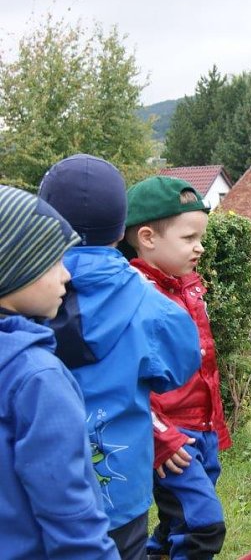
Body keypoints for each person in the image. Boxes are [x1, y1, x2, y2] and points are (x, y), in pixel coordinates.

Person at [38, 154, 203, 560]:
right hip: (119, 488)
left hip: (42, 488)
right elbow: (180, 365)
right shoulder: (148, 300)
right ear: (121, 226)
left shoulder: (27, 289)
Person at [0, 184, 120, 559]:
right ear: (16, 266)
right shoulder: (36, 379)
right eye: (53, 260)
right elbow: (70, 516)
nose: (67, 276)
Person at [123, 176, 232, 560]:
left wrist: (214, 427)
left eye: (200, 237)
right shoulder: (135, 296)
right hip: (169, 435)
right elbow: (126, 381)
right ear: (148, 238)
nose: (199, 248)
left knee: (177, 521)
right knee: (203, 524)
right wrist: (161, 436)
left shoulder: (188, 285)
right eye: (189, 239)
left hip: (201, 431)